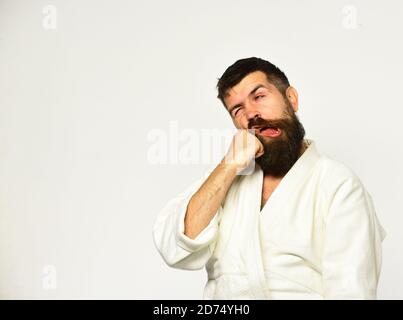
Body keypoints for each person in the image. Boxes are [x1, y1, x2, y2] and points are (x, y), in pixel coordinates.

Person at [152, 57, 386, 299]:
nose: (251, 113)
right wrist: (230, 165)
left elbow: (351, 291)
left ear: (291, 99)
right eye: (238, 109)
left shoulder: (338, 184)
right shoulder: (226, 178)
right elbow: (178, 249)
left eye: (259, 96)